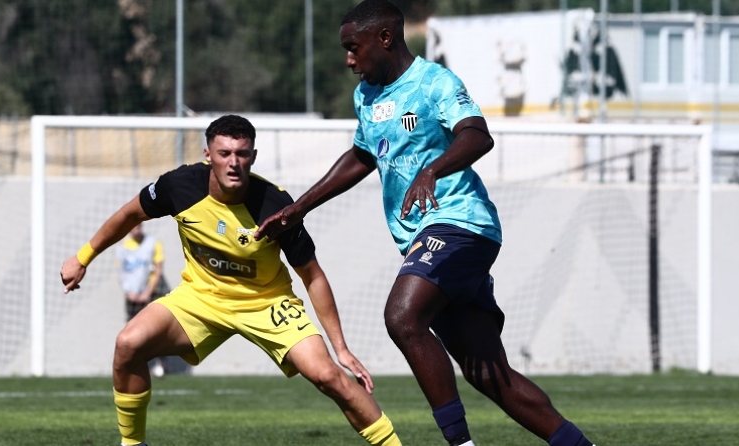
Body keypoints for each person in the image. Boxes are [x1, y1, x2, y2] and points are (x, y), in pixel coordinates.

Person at [254, 1, 595, 446]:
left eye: (354, 48)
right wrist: (300, 207)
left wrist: (433, 169)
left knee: (402, 316)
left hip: (461, 224)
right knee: (488, 373)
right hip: (423, 236)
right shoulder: (366, 96)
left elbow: (477, 134)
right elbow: (362, 155)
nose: (349, 60)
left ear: (385, 38)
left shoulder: (435, 82)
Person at [60, 114, 401, 446]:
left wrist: (341, 348)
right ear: (208, 155)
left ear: (253, 156)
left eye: (242, 154)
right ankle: (133, 443)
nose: (233, 162)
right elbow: (129, 214)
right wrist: (82, 257)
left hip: (268, 303)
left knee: (328, 376)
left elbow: (312, 276)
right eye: (224, 153)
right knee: (128, 343)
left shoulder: (275, 205)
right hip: (201, 298)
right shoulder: (179, 187)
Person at [115, 222, 170, 377]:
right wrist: (128, 292)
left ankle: (162, 365)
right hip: (132, 297)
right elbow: (121, 272)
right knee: (132, 331)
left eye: (138, 225)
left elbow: (158, 270)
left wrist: (148, 292)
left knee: (156, 331)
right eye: (133, 225)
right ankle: (134, 365)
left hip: (150, 295)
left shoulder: (153, 243)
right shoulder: (122, 247)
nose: (136, 228)